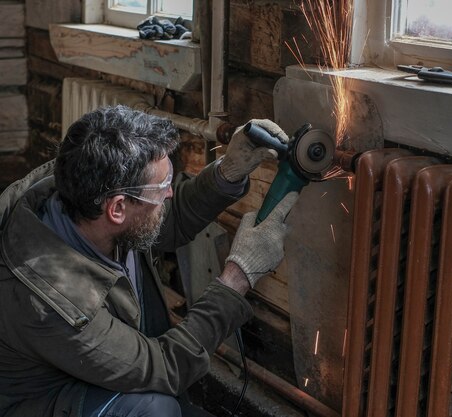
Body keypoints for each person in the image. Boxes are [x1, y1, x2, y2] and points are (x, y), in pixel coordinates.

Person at [0, 105, 299, 417]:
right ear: (117, 209)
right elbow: (165, 368)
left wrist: (226, 175)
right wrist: (238, 275)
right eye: (162, 187)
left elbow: (163, 221)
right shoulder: (52, 304)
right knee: (155, 409)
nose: (169, 193)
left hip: (83, 366)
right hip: (44, 401)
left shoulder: (83, 187)